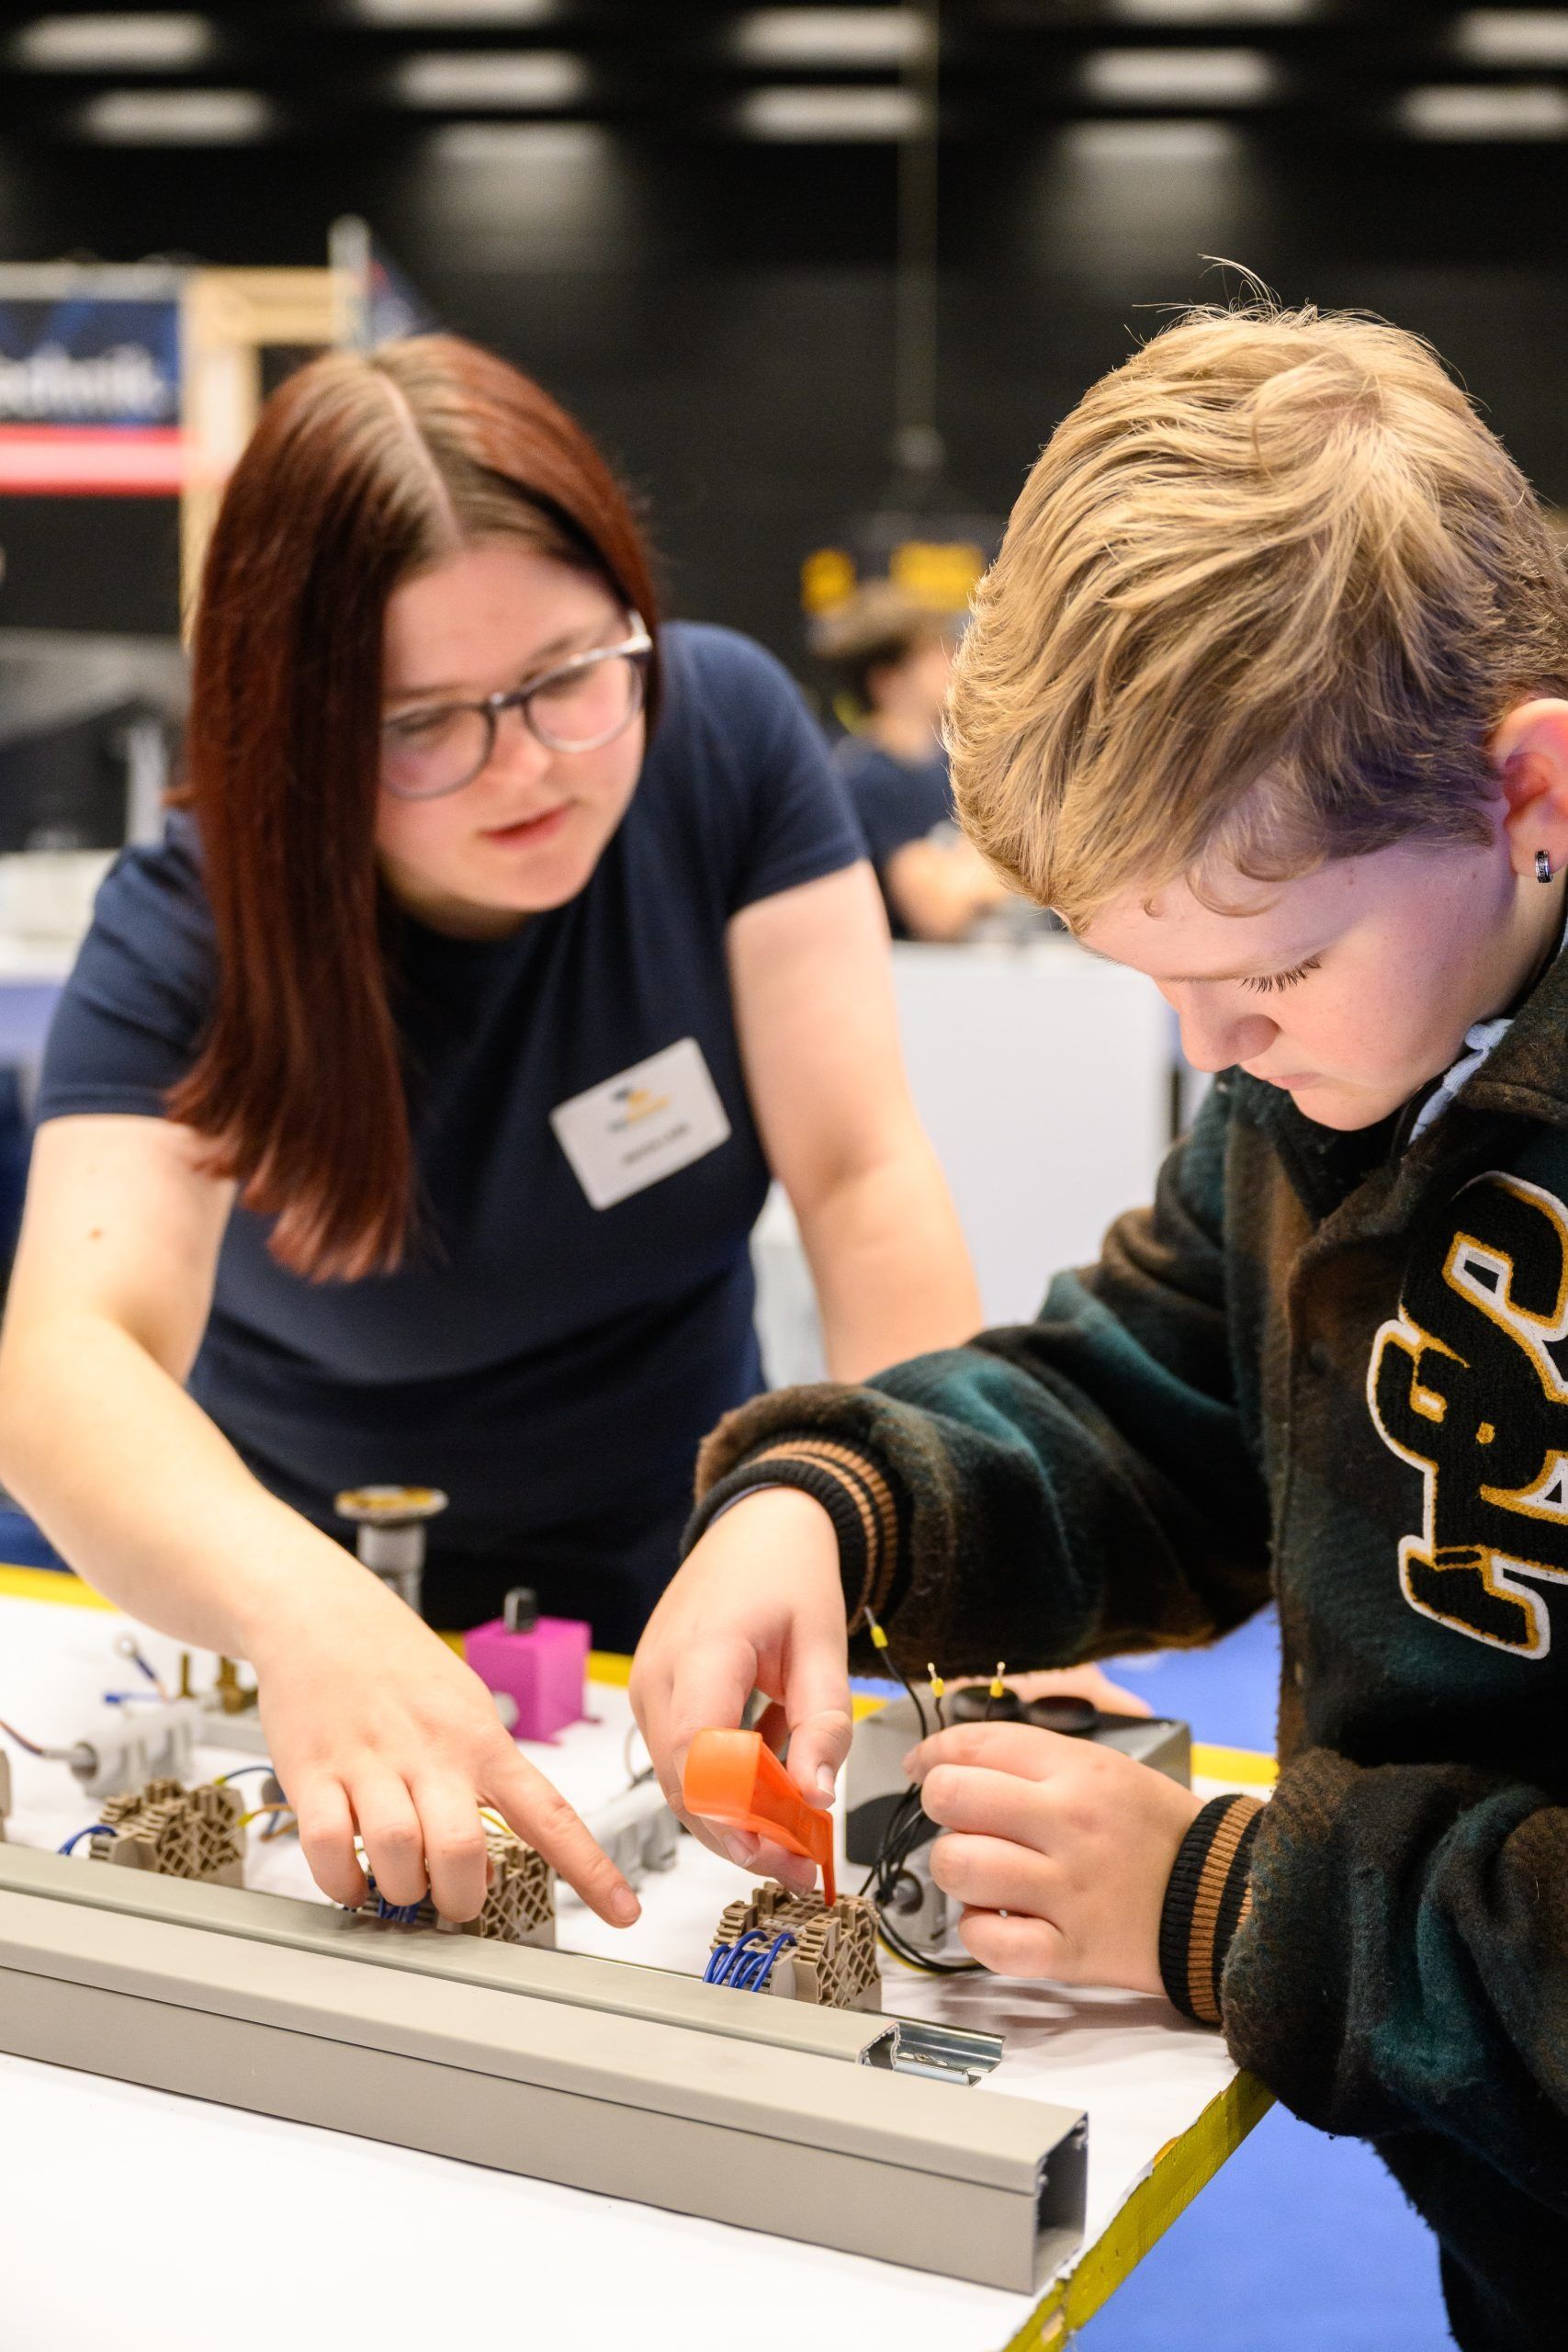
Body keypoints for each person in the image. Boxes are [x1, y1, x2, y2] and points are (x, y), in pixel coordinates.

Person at [632, 302, 1568, 2349]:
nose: (1209, 1049)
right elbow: (1154, 1395)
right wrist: (838, 1498)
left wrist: (1229, 1902)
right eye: (1152, 978)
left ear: (1522, 784)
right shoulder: (1330, 1068)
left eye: (1266, 969)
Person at [0, 333, 982, 1925]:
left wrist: (946, 1561)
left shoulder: (719, 736)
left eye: (571, 676)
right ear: (297, 738)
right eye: (424, 724)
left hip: (680, 1567)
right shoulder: (199, 920)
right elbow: (63, 1365)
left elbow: (861, 1176)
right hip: (291, 1597)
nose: (529, 764)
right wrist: (305, 1617)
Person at [812, 583, 1013, 942]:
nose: (955, 662)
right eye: (934, 656)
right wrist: (1001, 873)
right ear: (889, 682)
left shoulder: (956, 766)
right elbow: (938, 914)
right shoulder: (867, 778)